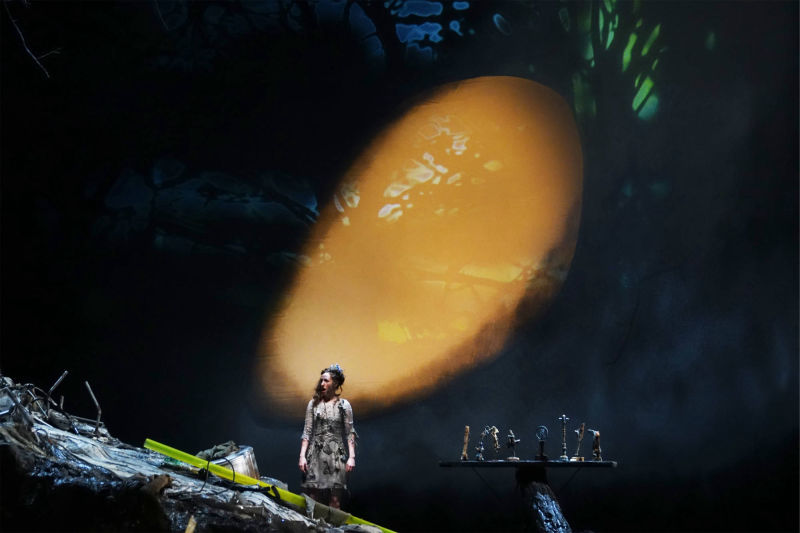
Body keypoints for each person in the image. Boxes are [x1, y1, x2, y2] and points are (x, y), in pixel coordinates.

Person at [298, 364, 356, 509]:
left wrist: (352, 457)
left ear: (335, 383)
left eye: (326, 380)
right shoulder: (313, 404)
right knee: (313, 498)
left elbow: (350, 432)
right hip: (315, 454)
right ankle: (314, 523)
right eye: (321, 380)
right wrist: (302, 456)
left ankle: (332, 524)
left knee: (335, 500)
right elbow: (307, 431)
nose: (322, 384)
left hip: (335, 455)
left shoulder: (344, 405)